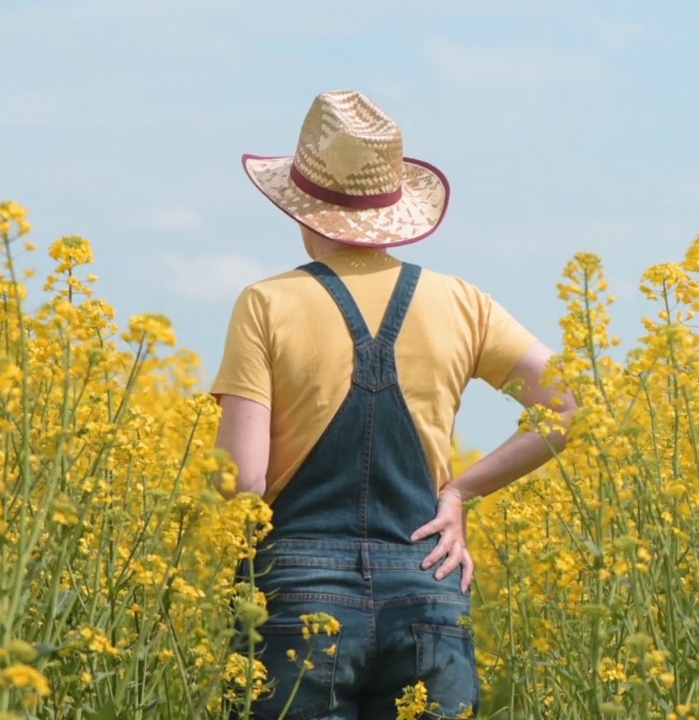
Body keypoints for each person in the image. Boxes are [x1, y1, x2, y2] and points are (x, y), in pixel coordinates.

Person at [211, 90, 575, 720]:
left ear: (301, 206)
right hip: (427, 586)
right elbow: (570, 405)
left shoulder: (265, 304)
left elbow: (244, 479)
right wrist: (459, 493)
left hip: (298, 591)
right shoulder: (463, 303)